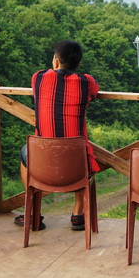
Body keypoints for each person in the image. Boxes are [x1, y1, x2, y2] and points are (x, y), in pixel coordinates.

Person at [14, 40, 99, 231]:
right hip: (76, 162)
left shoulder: (38, 78)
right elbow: (93, 94)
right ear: (78, 64)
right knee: (86, 155)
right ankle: (78, 213)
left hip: (42, 159)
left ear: (55, 61)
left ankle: (33, 213)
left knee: (25, 151)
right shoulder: (87, 82)